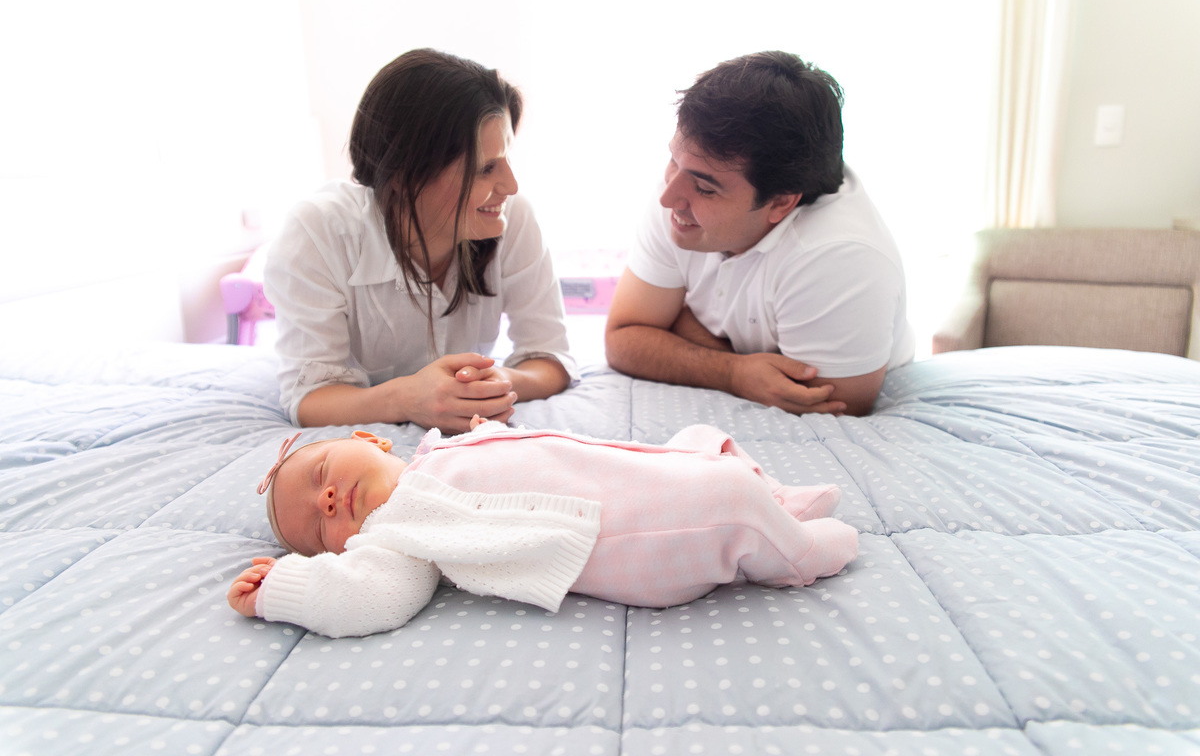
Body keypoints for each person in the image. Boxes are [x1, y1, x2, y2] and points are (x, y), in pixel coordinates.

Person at [227, 420, 859, 638]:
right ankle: (794, 553)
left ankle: (775, 502)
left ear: (368, 439)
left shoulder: (437, 454)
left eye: (320, 475)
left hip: (631, 475)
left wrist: (489, 430)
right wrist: (286, 589)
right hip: (628, 536)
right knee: (727, 495)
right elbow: (368, 596)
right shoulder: (399, 532)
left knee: (700, 443)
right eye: (317, 525)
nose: (329, 498)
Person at [265, 49, 576, 434]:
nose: (510, 186)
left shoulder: (513, 218)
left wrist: (487, 383)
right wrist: (410, 398)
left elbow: (552, 359)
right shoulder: (317, 233)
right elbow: (309, 397)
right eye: (485, 168)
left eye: (507, 159)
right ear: (406, 174)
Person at [605, 51, 915, 417]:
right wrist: (733, 372)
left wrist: (677, 326)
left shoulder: (839, 256)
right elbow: (624, 337)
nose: (668, 196)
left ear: (781, 202)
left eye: (706, 189)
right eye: (674, 160)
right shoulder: (684, 191)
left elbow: (834, 402)